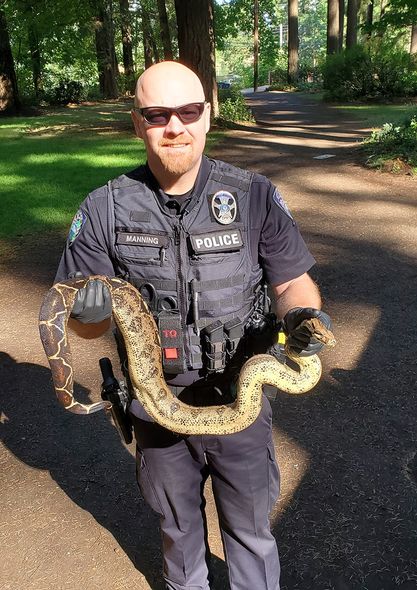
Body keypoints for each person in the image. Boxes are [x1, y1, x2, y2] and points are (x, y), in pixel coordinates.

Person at [55, 61, 332, 590]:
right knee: (179, 535)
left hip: (239, 398)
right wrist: (89, 316)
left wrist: (301, 318)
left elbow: (292, 282)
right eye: (158, 115)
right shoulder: (105, 209)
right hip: (157, 408)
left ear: (207, 116)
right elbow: (83, 327)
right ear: (137, 124)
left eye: (188, 111)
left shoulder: (252, 195)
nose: (174, 127)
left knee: (251, 532)